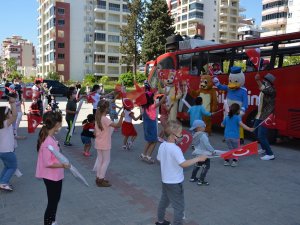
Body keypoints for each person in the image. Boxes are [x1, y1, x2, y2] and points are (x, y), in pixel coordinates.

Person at [156, 120, 207, 225]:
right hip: (175, 182)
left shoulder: (162, 145)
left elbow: (160, 159)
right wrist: (198, 159)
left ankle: (160, 221)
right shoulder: (175, 149)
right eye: (180, 134)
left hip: (165, 181)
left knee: (164, 201)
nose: (182, 136)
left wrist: (170, 163)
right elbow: (183, 164)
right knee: (179, 207)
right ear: (173, 136)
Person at [35, 111, 70, 225]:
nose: (61, 125)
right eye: (60, 123)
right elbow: (47, 163)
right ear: (55, 124)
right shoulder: (47, 142)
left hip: (55, 176)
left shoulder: (51, 137)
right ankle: (48, 222)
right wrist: (63, 165)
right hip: (51, 177)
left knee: (55, 200)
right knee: (52, 202)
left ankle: (52, 220)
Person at [94, 99, 124, 187]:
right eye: (108, 107)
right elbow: (118, 125)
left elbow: (95, 132)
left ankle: (98, 177)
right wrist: (122, 116)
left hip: (98, 143)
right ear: (106, 109)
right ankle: (101, 179)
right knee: (106, 161)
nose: (109, 109)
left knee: (100, 160)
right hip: (105, 143)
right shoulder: (105, 119)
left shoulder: (98, 117)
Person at [140, 90, 167, 163]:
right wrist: (165, 95)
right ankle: (148, 156)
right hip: (152, 126)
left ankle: (143, 154)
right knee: (154, 141)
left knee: (149, 141)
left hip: (146, 126)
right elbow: (160, 102)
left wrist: (153, 96)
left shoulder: (144, 107)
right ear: (150, 99)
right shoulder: (152, 106)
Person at [254, 73, 276, 160]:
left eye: (265, 80)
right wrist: (258, 81)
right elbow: (262, 89)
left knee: (261, 135)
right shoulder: (265, 88)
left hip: (266, 116)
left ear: (268, 82)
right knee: (255, 132)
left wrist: (257, 80)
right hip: (259, 115)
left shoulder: (271, 90)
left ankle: (270, 154)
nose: (263, 81)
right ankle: (263, 148)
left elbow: (263, 89)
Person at [189, 120, 215, 186]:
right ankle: (201, 180)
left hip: (197, 153)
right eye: (204, 126)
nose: (205, 127)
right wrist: (212, 150)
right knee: (206, 166)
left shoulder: (194, 135)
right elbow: (207, 144)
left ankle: (193, 177)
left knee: (197, 165)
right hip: (204, 154)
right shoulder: (203, 135)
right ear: (199, 127)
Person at [0, 94, 17, 191]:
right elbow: (15, 115)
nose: (11, 113)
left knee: (7, 166)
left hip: (2, 151)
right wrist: (13, 103)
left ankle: (1, 181)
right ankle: (4, 182)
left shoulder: (2, 124)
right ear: (6, 115)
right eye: (9, 112)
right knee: (13, 167)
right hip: (7, 151)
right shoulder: (6, 123)